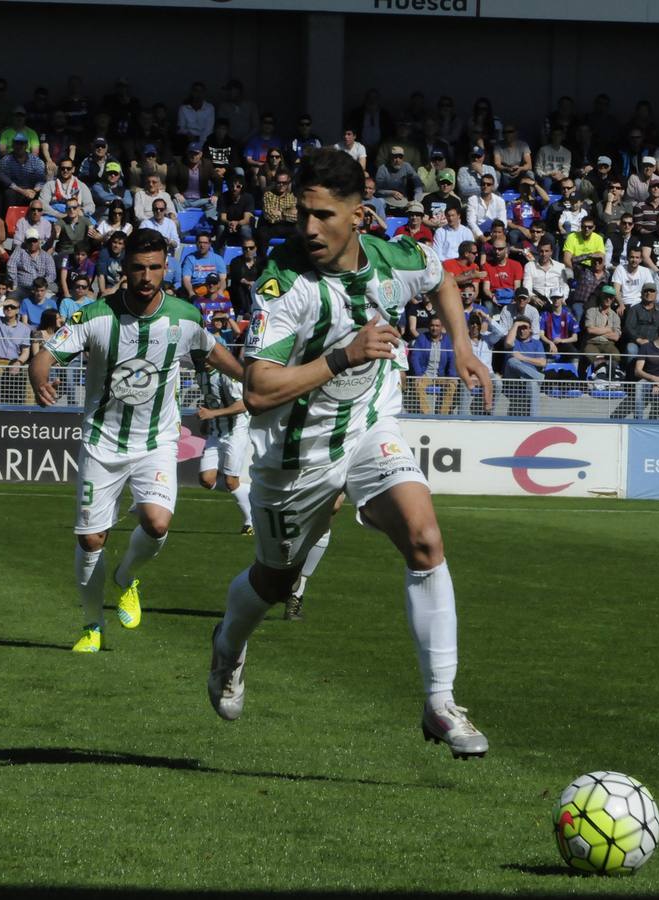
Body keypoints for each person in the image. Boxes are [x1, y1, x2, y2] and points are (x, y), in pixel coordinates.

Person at [206, 149, 492, 757]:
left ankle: (440, 701)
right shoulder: (283, 284)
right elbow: (257, 390)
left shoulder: (394, 259)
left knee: (424, 539)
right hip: (295, 453)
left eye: (323, 215)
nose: (308, 229)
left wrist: (464, 347)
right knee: (276, 580)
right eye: (302, 215)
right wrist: (345, 355)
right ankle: (229, 644)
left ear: (358, 216)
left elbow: (441, 277)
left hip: (368, 425)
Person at [30, 228, 242, 652]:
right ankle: (93, 626)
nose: (147, 276)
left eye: (155, 267)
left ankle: (126, 577)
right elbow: (46, 355)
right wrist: (40, 378)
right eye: (138, 268)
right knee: (91, 540)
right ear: (124, 269)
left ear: (166, 268)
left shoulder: (184, 316)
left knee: (157, 522)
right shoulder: (94, 317)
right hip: (102, 441)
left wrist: (254, 381)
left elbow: (216, 355)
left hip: (157, 441)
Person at [197, 341, 255, 536]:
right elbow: (209, 399)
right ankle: (247, 492)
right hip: (215, 432)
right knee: (206, 479)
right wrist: (207, 420)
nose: (204, 359)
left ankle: (250, 521)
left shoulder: (228, 377)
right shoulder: (201, 375)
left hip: (235, 432)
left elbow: (243, 405)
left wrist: (212, 414)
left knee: (231, 482)